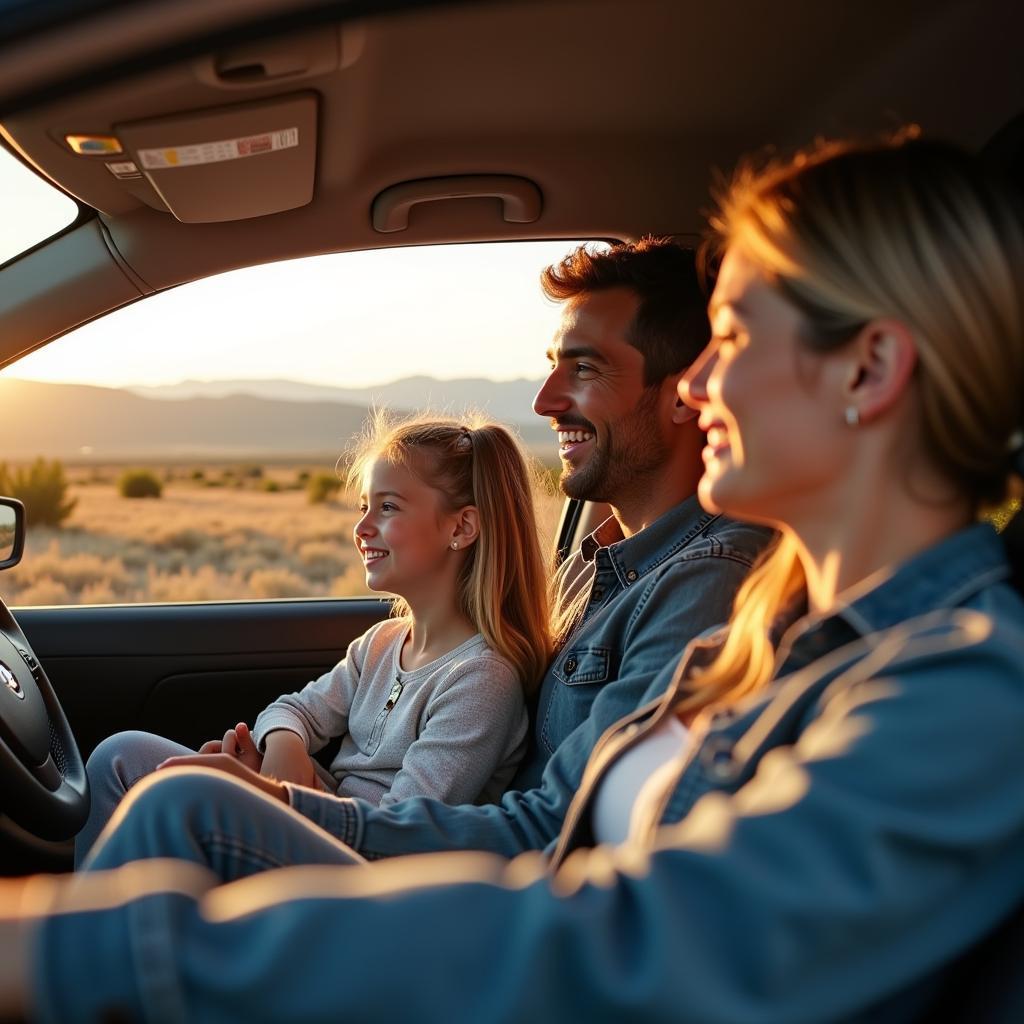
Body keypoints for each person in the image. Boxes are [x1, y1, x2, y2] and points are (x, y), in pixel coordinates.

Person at [3, 131, 1023, 1023]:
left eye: (739, 337)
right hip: (545, 922)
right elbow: (552, 822)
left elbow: (640, 951)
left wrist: (93, 952)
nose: (701, 383)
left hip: (567, 967)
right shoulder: (758, 641)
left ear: (869, 369)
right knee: (188, 803)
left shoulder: (967, 694)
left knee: (163, 850)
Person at [74, 239, 771, 875]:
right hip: (410, 839)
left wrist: (287, 800)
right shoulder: (593, 565)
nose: (545, 399)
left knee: (180, 803)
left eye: (584, 369)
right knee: (128, 765)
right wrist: (284, 786)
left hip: (465, 892)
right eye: (553, 367)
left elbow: (552, 826)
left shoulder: (702, 584)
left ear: (685, 393)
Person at [73, 414, 551, 866]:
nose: (362, 528)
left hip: (361, 879)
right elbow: (293, 710)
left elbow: (397, 833)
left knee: (178, 793)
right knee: (122, 756)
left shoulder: (481, 679)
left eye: (387, 507)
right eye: (365, 506)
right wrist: (280, 753)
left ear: (461, 527)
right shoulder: (382, 644)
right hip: (317, 829)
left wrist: (270, 794)